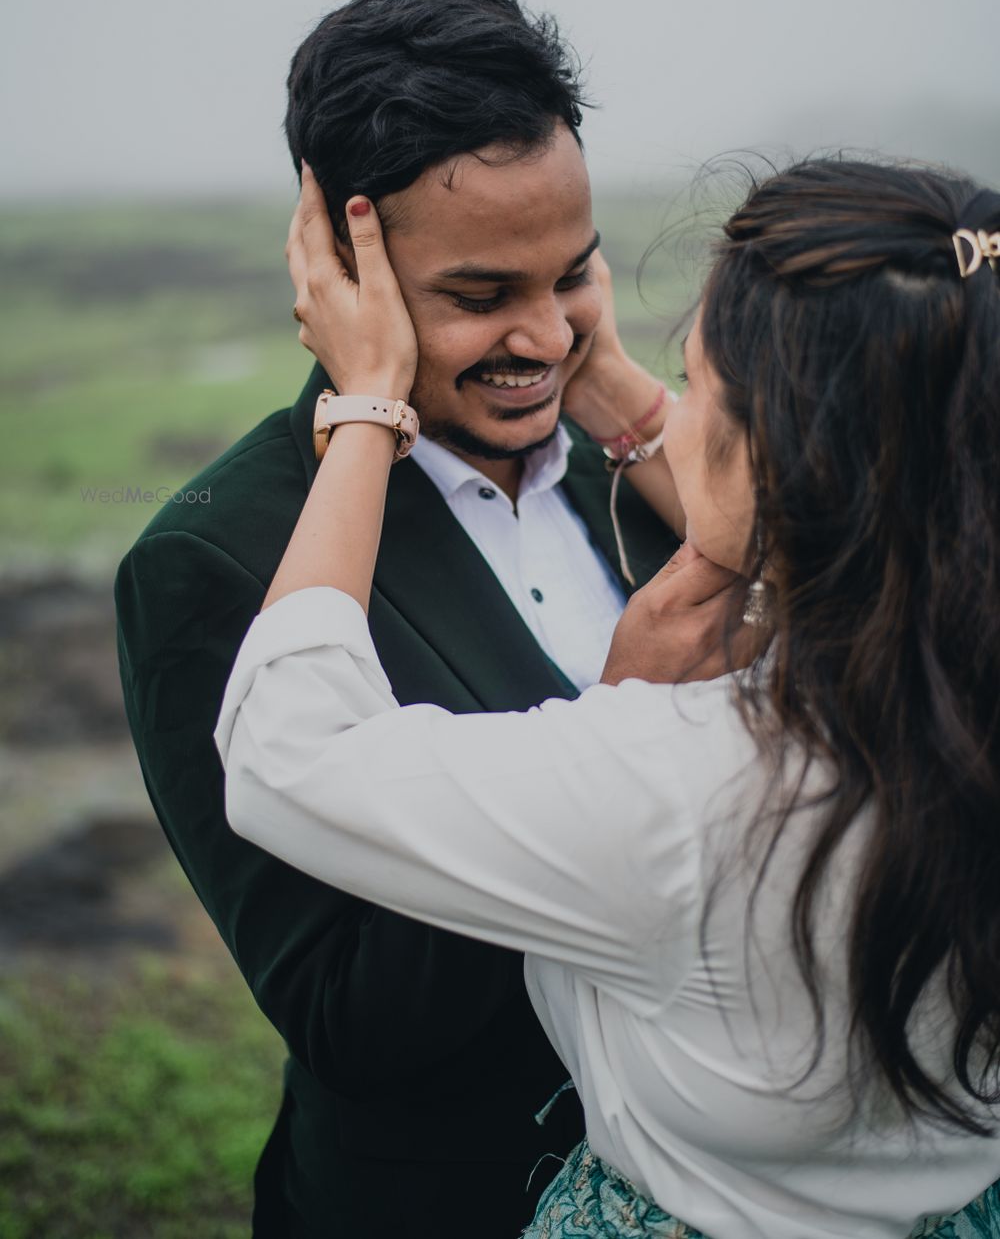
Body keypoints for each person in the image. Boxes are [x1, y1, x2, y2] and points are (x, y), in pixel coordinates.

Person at [214, 158, 1000, 1238]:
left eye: (696, 384)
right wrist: (597, 375)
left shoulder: (687, 786)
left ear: (785, 456)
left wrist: (364, 408)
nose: (664, 417)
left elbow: (283, 750)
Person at [114, 0, 707, 1238]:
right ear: (344, 263)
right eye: (483, 296)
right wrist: (624, 728)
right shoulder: (216, 562)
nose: (545, 337)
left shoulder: (657, 473)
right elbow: (347, 1018)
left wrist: (621, 390)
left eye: (575, 274)